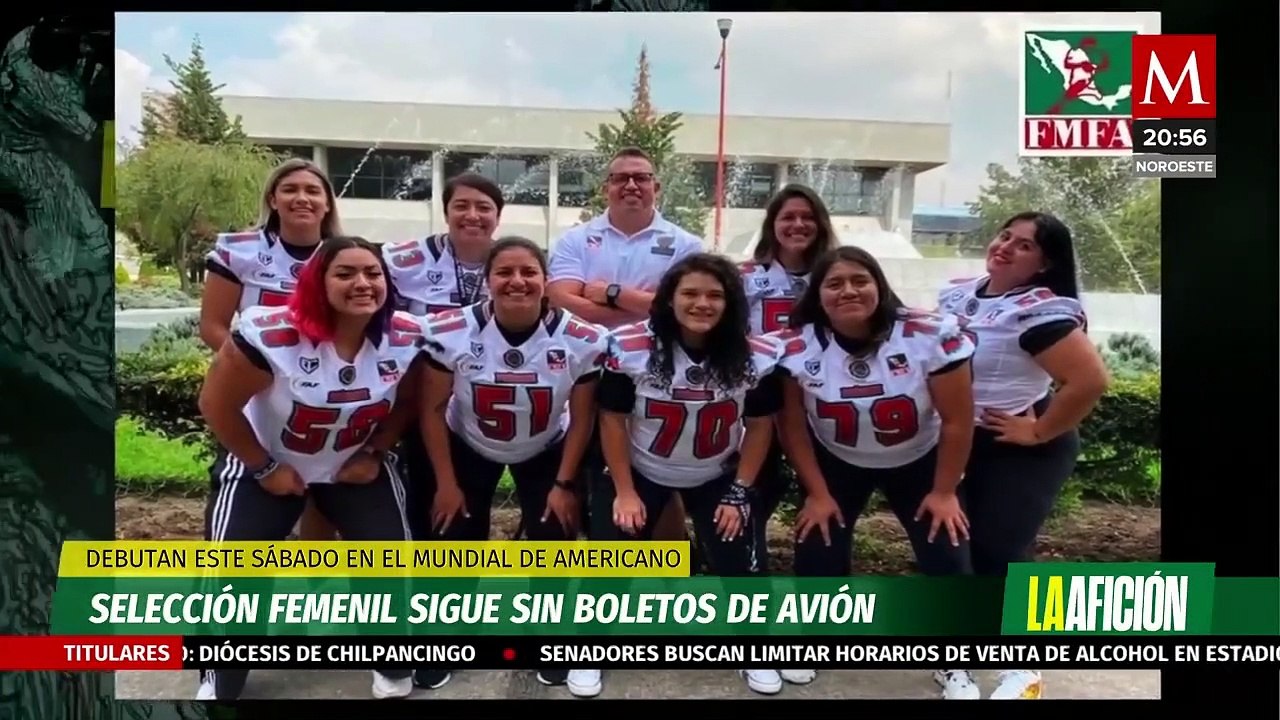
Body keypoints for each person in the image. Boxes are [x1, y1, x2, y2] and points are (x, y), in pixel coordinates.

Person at [195, 236, 424, 701]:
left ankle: (392, 661)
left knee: (392, 566)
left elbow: (409, 399)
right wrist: (262, 467)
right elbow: (215, 406)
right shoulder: (271, 335)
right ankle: (219, 677)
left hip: (350, 465)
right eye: (345, 274)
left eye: (373, 273)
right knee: (233, 573)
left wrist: (377, 450)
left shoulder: (404, 336)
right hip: (267, 463)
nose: (363, 283)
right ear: (317, 283)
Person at [568, 253, 783, 699]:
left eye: (714, 295)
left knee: (739, 563)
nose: (701, 303)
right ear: (668, 299)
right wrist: (624, 491)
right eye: (689, 293)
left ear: (730, 303)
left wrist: (741, 489)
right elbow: (612, 419)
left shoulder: (754, 355)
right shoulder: (631, 346)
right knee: (609, 560)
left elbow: (761, 425)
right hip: (643, 467)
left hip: (715, 472)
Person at [766, 246, 976, 686]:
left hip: (919, 456)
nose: (848, 291)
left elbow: (957, 420)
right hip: (838, 457)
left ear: (879, 285)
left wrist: (944, 491)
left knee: (946, 550)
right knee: (817, 545)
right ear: (817, 294)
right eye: (834, 283)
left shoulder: (927, 333)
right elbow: (792, 425)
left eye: (860, 280)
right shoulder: (797, 344)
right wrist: (818, 493)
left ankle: (954, 658)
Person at [418, 236, 608, 690]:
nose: (517, 281)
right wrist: (446, 480)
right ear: (487, 281)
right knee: (455, 537)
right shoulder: (452, 330)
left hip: (547, 446)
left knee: (552, 539)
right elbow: (430, 408)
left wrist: (564, 483)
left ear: (545, 282)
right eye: (504, 272)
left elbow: (583, 418)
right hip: (469, 442)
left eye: (529, 272)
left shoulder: (581, 338)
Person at [932, 212, 1108, 701]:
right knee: (951, 551)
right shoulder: (956, 292)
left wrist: (1038, 432)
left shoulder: (1038, 307)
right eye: (1005, 235)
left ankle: (1023, 667)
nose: (1007, 247)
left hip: (1015, 445)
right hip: (956, 441)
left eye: (1025, 245)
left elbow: (1090, 380)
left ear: (1045, 263)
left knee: (1001, 552)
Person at [545, 147, 703, 562]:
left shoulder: (686, 244)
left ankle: (669, 573)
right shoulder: (577, 239)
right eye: (621, 178)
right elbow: (559, 298)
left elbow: (686, 307)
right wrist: (645, 303)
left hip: (657, 376)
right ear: (606, 188)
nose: (631, 185)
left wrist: (611, 293)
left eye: (641, 177)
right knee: (593, 473)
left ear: (656, 186)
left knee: (659, 481)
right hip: (586, 370)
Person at [383, 175, 503, 673]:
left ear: (499, 216)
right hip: (423, 406)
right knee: (436, 517)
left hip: (494, 407)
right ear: (446, 210)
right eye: (461, 206)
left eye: (483, 207)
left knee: (470, 520)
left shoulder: (513, 262)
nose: (472, 216)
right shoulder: (405, 261)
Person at [200, 158, 344, 545]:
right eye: (290, 189)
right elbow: (213, 325)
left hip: (323, 390)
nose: (302, 198)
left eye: (313, 191)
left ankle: (315, 581)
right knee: (252, 491)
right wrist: (253, 369)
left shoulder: (343, 256)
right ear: (273, 199)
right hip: (259, 389)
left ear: (328, 204)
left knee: (321, 490)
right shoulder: (241, 250)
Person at [738, 184, 840, 609]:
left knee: (825, 493)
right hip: (759, 398)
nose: (798, 225)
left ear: (820, 224)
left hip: (820, 397)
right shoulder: (745, 275)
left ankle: (818, 605)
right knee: (750, 492)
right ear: (772, 225)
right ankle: (748, 585)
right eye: (787, 217)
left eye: (807, 217)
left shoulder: (838, 273)